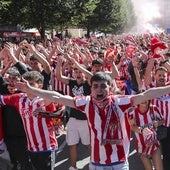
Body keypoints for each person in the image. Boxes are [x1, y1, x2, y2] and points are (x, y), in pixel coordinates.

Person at [15, 71, 170, 170]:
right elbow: (58, 97)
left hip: (119, 162)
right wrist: (31, 90)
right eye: (95, 86)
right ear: (91, 88)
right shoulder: (86, 102)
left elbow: (147, 95)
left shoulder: (120, 102)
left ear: (110, 88)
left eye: (103, 86)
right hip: (96, 163)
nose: (99, 89)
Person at [0, 71, 63, 170]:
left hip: (47, 147)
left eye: (31, 84)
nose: (28, 87)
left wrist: (47, 116)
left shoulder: (44, 99)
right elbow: (2, 99)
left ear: (40, 85)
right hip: (31, 149)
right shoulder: (19, 98)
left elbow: (58, 101)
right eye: (26, 84)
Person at [55, 56, 91, 170]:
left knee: (88, 144)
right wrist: (59, 64)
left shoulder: (88, 83)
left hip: (86, 119)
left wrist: (78, 64)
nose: (78, 73)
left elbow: (91, 76)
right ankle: (73, 167)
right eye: (76, 71)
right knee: (72, 144)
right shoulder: (72, 82)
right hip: (73, 118)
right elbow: (59, 77)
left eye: (80, 71)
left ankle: (97, 163)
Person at [0, 67, 33, 170]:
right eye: (9, 79)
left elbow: (28, 74)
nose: (11, 81)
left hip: (23, 136)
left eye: (14, 78)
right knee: (12, 163)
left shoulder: (25, 93)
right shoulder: (4, 89)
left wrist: (15, 60)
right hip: (8, 136)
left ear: (20, 79)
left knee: (25, 163)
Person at [128, 99, 164, 170]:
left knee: (159, 168)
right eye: (142, 98)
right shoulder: (133, 112)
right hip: (142, 146)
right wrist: (141, 130)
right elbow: (131, 127)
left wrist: (158, 123)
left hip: (154, 143)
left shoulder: (153, 108)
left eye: (146, 98)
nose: (144, 100)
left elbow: (163, 120)